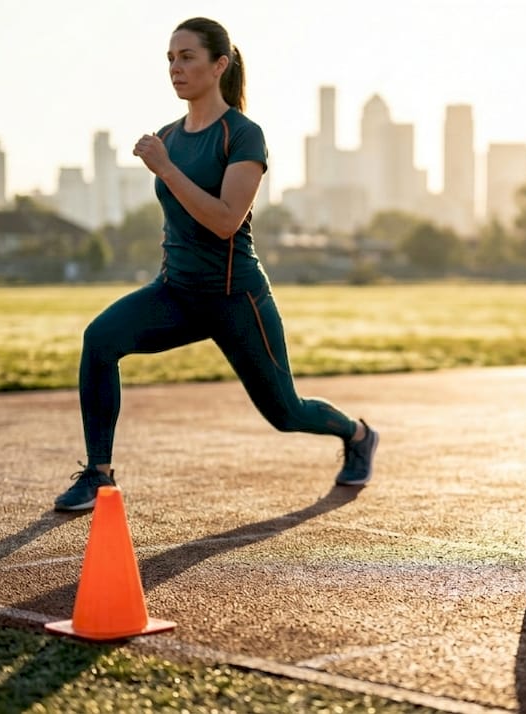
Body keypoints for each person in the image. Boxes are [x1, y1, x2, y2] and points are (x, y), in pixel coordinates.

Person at [55, 17, 379, 512]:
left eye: (187, 57)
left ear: (219, 64)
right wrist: (167, 164)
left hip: (235, 299)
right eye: (170, 58)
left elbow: (226, 221)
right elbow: (179, 224)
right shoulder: (170, 134)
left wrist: (166, 167)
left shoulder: (243, 135)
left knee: (285, 412)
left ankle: (357, 435)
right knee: (99, 340)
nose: (175, 68)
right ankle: (98, 474)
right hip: (176, 295)